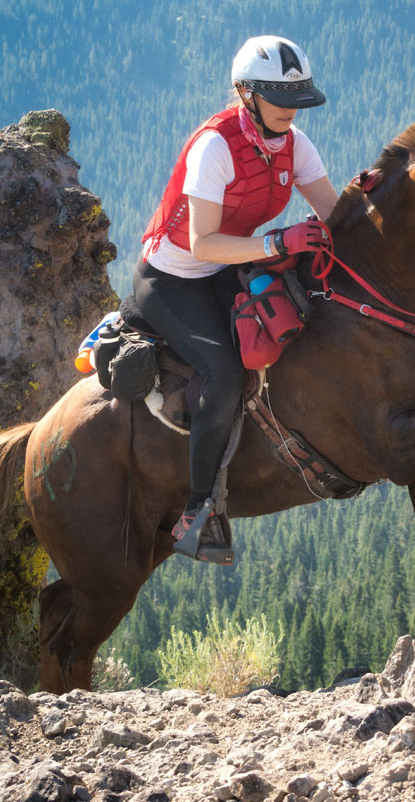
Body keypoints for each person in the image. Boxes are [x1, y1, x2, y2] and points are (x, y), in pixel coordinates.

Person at [134, 35, 338, 564]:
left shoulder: (295, 143)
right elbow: (201, 242)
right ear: (245, 93)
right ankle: (198, 511)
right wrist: (279, 242)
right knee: (225, 370)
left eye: (297, 101)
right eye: (280, 99)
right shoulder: (215, 146)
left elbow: (335, 214)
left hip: (226, 266)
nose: (291, 112)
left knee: (295, 318)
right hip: (173, 278)